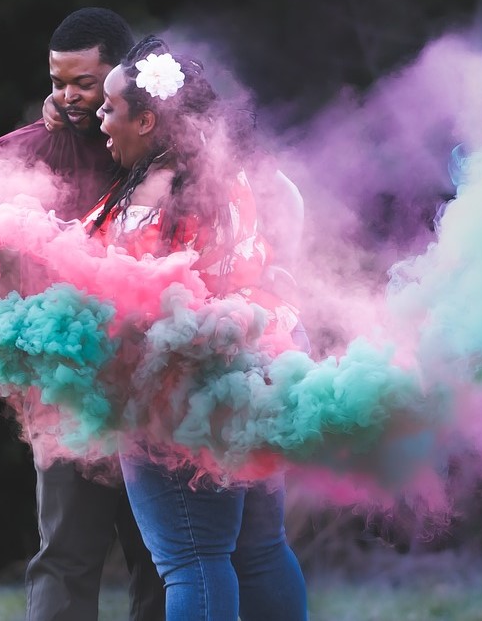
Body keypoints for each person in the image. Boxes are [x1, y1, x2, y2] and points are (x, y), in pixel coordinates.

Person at [88, 35, 310, 620]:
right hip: (262, 366)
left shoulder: (152, 198)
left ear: (148, 117)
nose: (100, 117)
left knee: (193, 559)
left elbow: (121, 303)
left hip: (186, 388)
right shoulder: (226, 175)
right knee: (260, 550)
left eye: (110, 107)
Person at [0, 7, 166, 621]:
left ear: (122, 80)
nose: (69, 96)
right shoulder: (33, 148)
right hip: (69, 390)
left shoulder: (160, 145)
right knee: (64, 558)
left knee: (162, 561)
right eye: (59, 81)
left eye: (85, 83)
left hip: (156, 387)